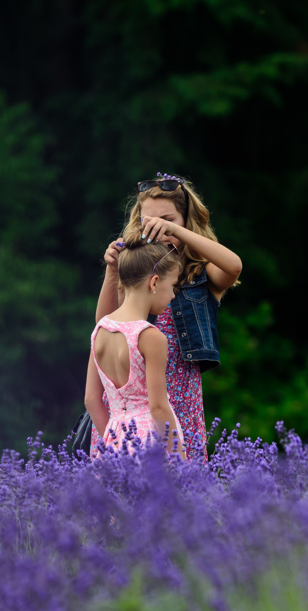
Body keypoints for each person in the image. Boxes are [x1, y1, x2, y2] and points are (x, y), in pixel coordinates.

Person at [95, 173, 242, 457]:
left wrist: (179, 234)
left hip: (181, 395)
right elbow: (104, 325)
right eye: (149, 222)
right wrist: (113, 271)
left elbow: (234, 266)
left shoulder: (201, 273)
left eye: (168, 220)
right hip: (135, 402)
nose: (158, 229)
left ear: (187, 221)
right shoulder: (138, 274)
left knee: (184, 485)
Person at [85, 239, 186, 458]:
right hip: (150, 443)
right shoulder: (150, 337)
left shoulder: (100, 330)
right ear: (154, 282)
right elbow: (158, 407)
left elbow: (91, 400)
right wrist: (183, 465)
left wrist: (113, 442)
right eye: (172, 286)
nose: (172, 295)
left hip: (113, 441)